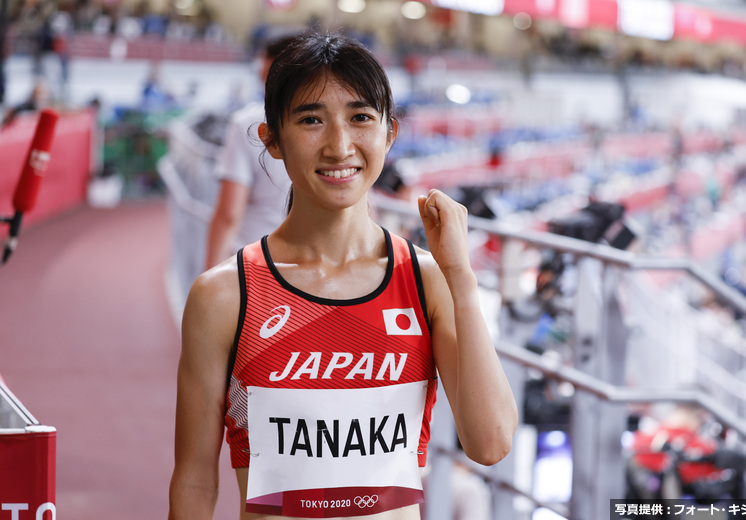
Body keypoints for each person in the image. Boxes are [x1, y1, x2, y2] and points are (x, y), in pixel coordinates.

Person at [168, 32, 518, 520]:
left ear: (389, 133)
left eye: (360, 118)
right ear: (271, 139)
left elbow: (491, 443)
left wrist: (461, 278)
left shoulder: (427, 282)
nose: (339, 145)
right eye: (311, 120)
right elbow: (195, 479)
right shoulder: (225, 295)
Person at [204, 35, 296, 269]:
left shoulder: (247, 123)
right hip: (311, 265)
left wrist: (209, 274)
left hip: (256, 261)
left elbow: (229, 213)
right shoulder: (328, 124)